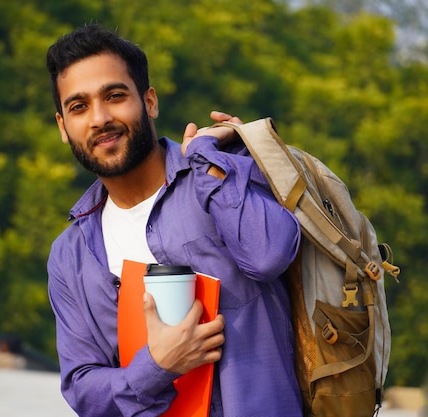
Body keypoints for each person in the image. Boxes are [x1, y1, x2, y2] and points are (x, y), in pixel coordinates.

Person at [46, 24, 303, 417]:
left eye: (115, 96)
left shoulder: (216, 174)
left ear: (149, 101)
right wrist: (158, 367)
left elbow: (270, 255)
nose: (99, 119)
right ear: (64, 127)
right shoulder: (70, 255)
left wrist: (209, 158)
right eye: (79, 107)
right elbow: (83, 390)